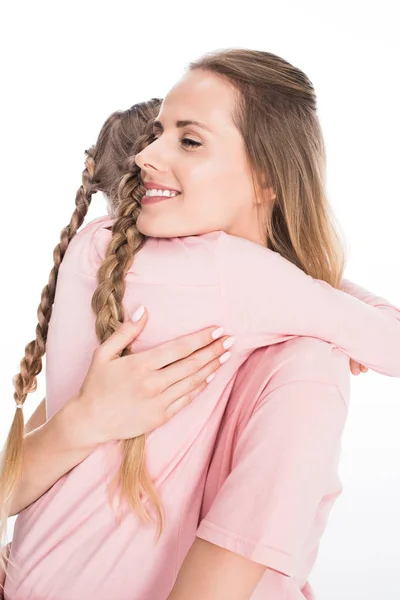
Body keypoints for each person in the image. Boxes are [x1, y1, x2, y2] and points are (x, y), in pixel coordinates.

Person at [1, 48, 399, 599]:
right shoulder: (242, 286)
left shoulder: (97, 246)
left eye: (189, 140)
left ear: (268, 177)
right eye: (159, 132)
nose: (147, 155)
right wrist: (338, 315)